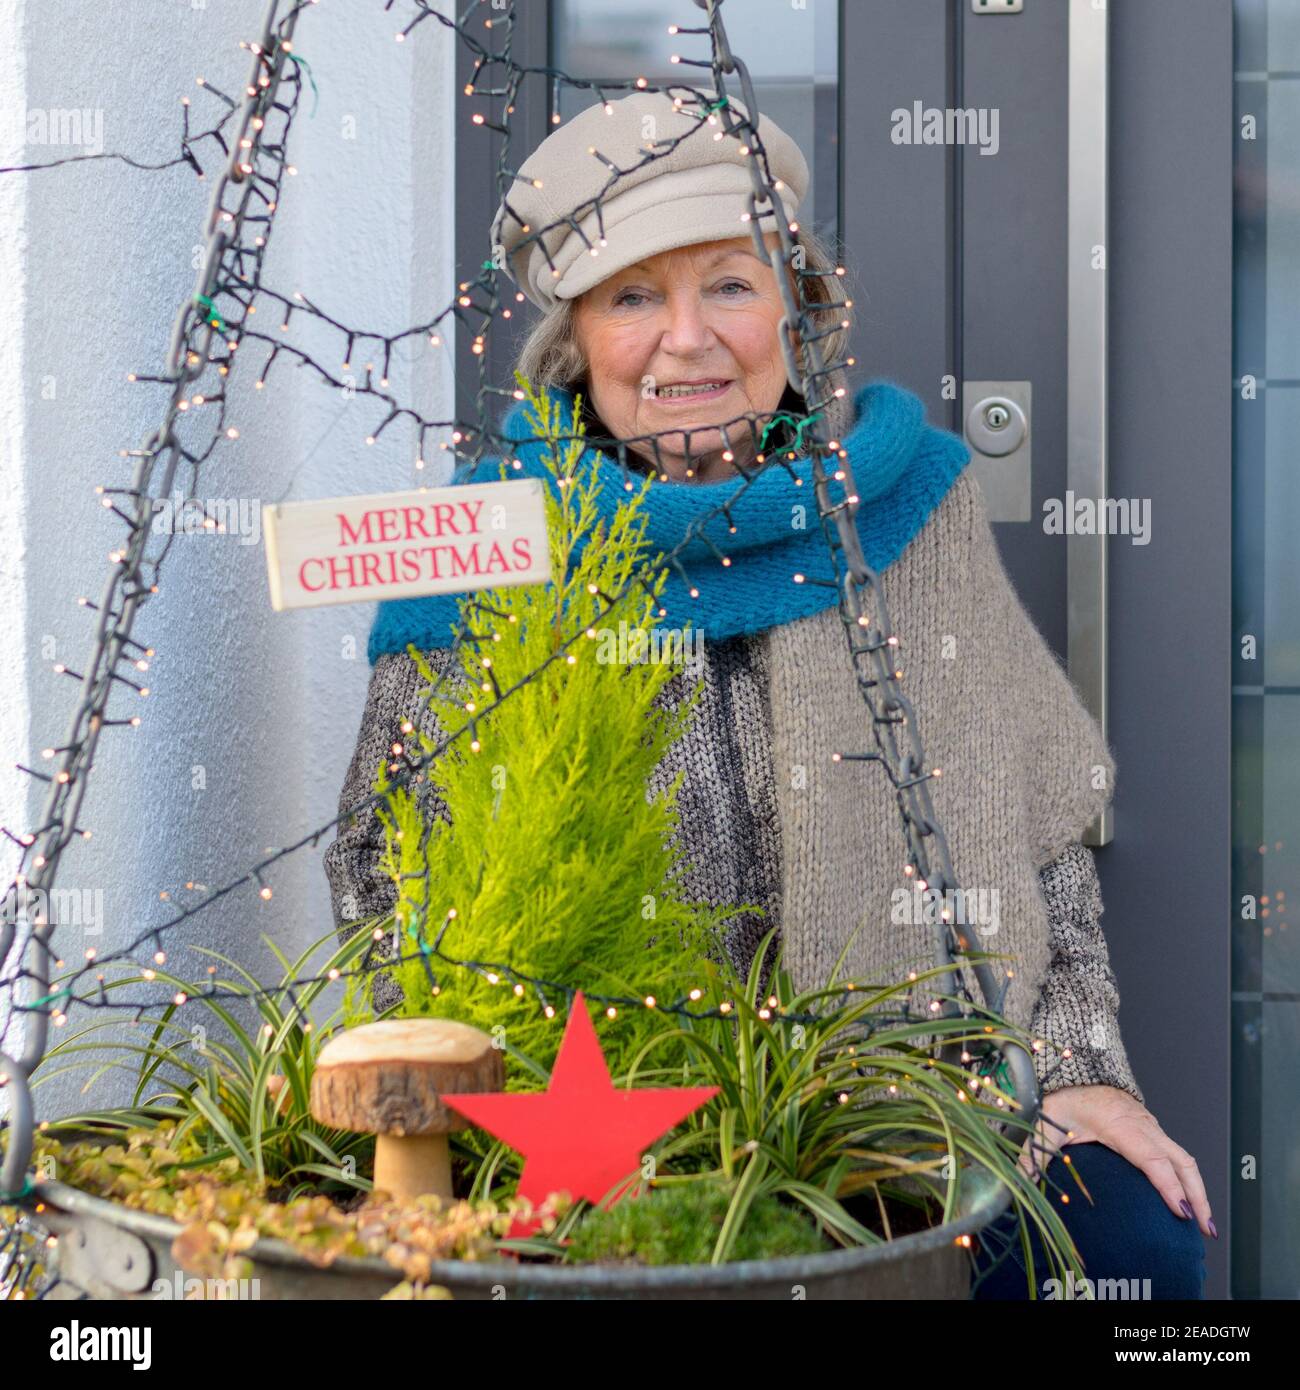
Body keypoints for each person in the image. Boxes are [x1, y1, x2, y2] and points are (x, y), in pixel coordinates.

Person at [325, 90, 1208, 1299]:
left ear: (796, 308)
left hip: (919, 1107)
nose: (687, 339)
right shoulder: (489, 551)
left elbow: (1034, 826)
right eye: (635, 296)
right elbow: (382, 873)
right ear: (574, 342)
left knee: (1129, 1256)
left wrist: (1076, 1068)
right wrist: (510, 1109)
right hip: (596, 1124)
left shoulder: (908, 505)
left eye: (729, 285)